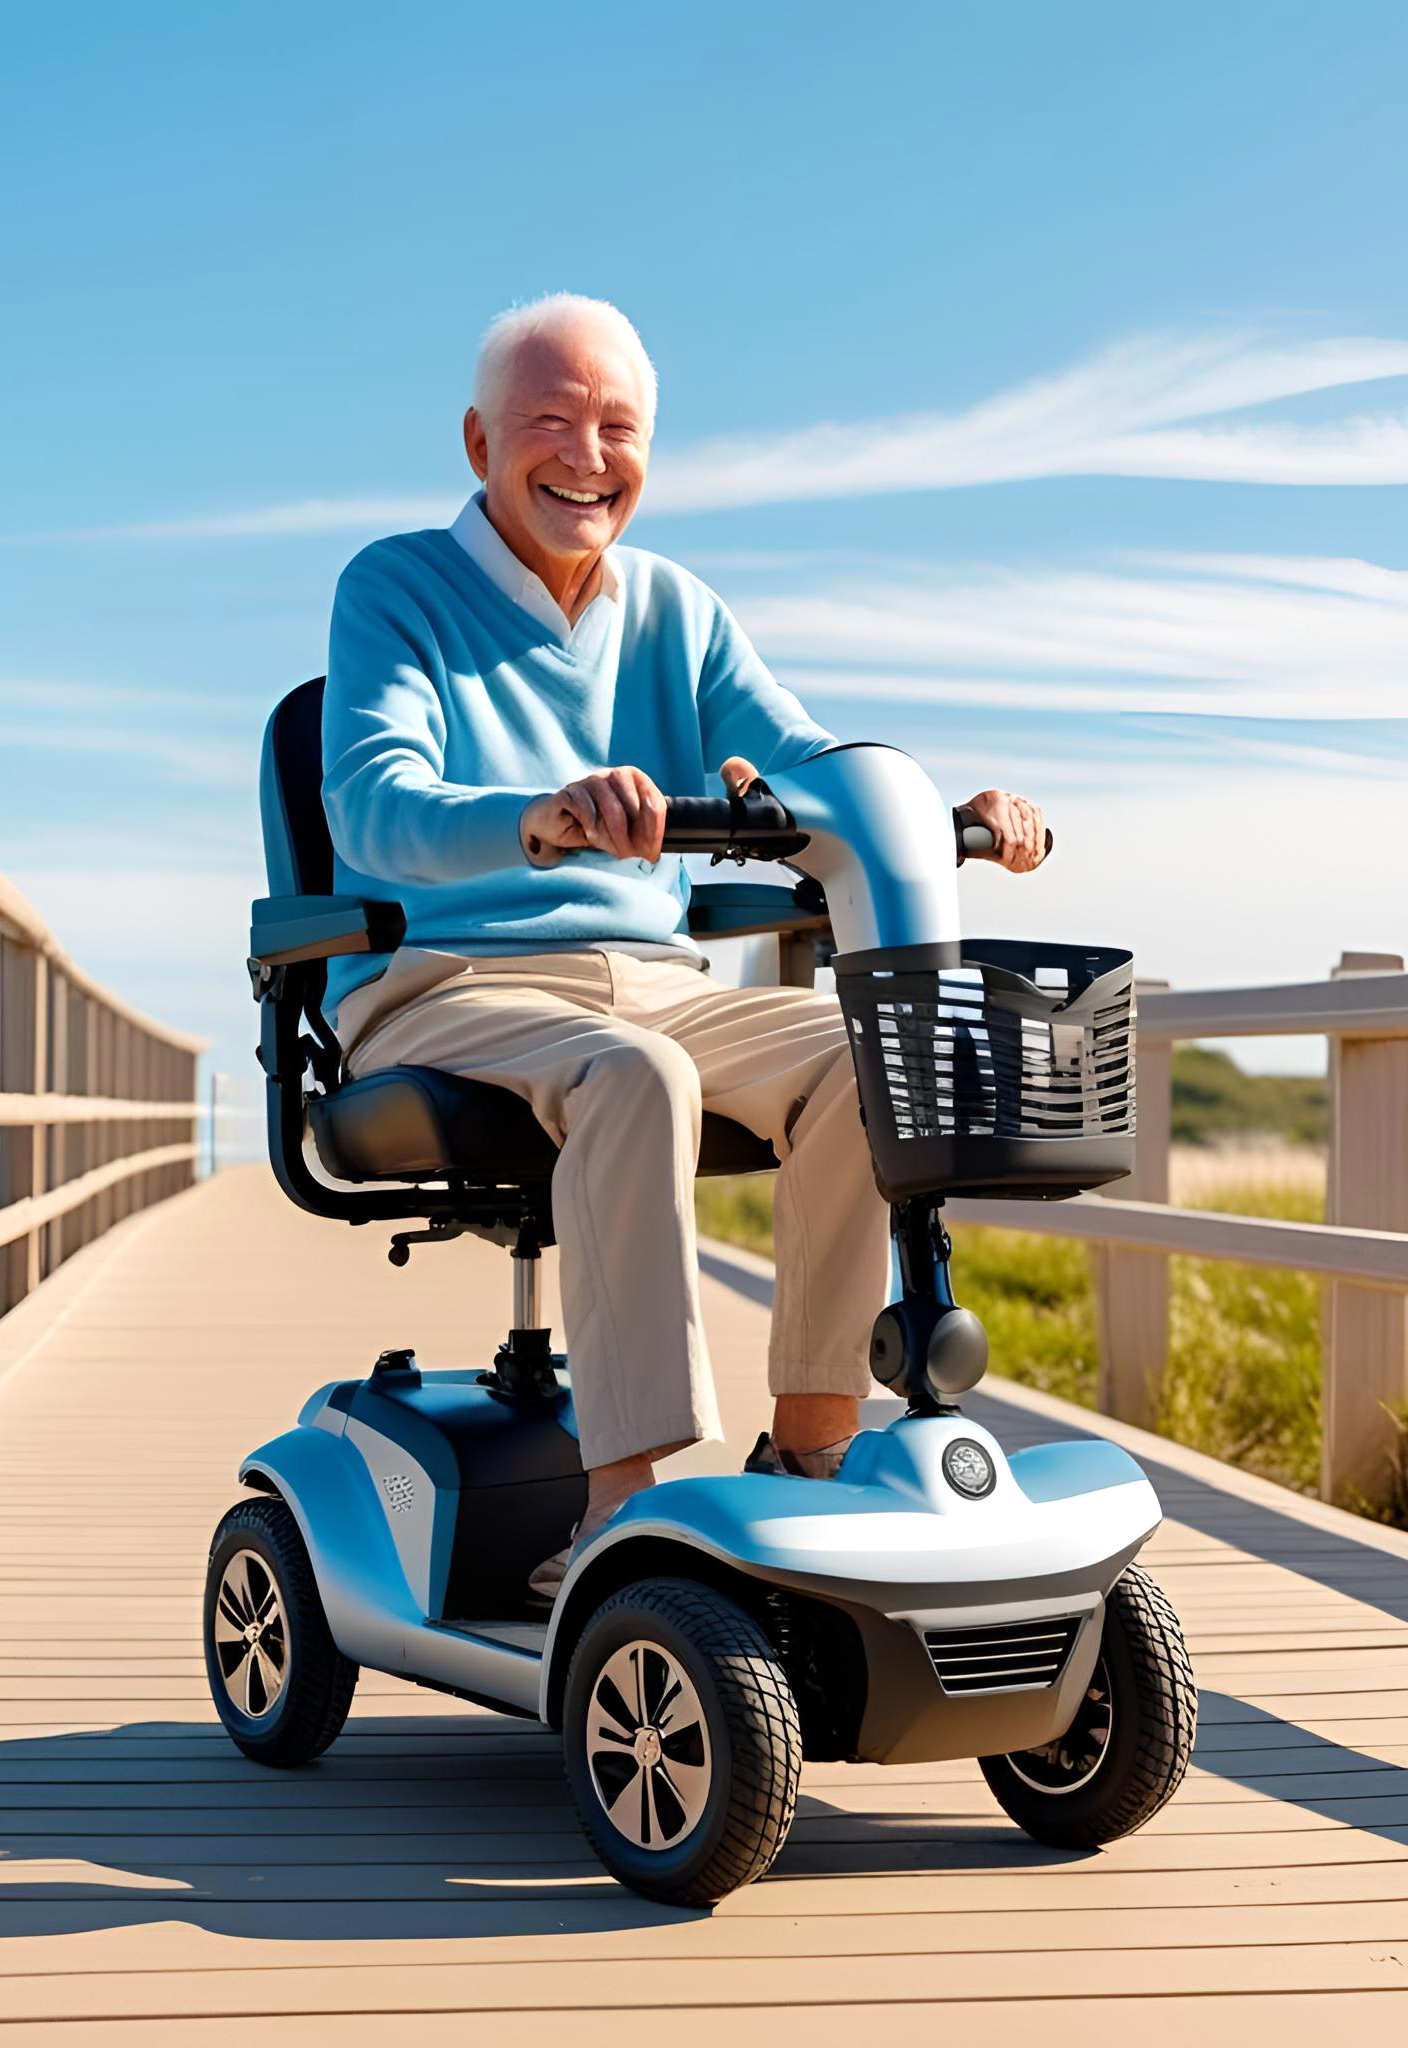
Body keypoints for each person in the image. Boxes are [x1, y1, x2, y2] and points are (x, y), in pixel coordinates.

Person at [320, 294, 1045, 1597]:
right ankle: (622, 1516)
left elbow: (807, 762)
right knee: (633, 1079)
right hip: (443, 981)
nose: (587, 456)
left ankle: (808, 1467)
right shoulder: (396, 588)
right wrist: (538, 819)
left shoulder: (677, 611)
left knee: (866, 1053)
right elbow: (373, 803)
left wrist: (944, 816)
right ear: (480, 441)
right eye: (551, 423)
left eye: (618, 427)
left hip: (654, 982)